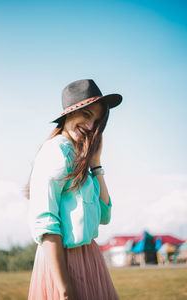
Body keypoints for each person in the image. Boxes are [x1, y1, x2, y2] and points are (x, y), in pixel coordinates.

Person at [27, 79, 123, 300]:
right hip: (64, 262)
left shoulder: (78, 157)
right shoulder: (56, 152)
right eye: (87, 115)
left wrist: (96, 164)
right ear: (69, 114)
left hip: (89, 258)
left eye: (97, 120)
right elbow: (46, 222)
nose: (91, 127)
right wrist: (63, 287)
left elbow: (105, 214)